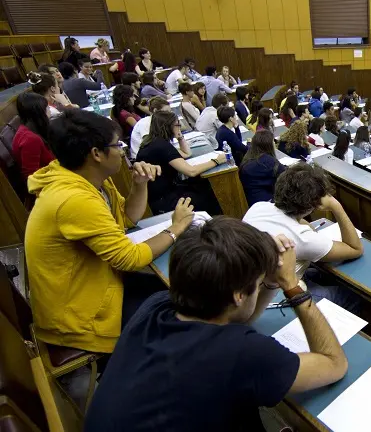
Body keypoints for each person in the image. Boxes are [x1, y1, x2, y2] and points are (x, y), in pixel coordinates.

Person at [83, 217, 348, 432]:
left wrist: (266, 279)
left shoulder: (157, 305)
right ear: (238, 295)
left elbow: (239, 317)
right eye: (257, 284)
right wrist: (290, 285)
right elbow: (334, 364)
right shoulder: (242, 353)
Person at [26, 109, 193, 355]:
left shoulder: (90, 177)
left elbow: (126, 218)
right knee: (183, 310)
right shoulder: (73, 199)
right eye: (117, 145)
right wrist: (175, 228)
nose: (123, 151)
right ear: (96, 154)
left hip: (99, 282)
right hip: (80, 316)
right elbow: (129, 258)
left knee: (179, 287)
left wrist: (140, 184)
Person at [242, 163, 364, 288]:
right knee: (347, 294)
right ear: (314, 205)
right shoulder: (303, 238)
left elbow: (297, 223)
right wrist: (336, 206)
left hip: (252, 282)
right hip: (283, 294)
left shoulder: (258, 207)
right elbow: (356, 249)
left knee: (318, 273)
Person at [137, 111, 224, 213]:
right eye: (177, 125)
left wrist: (180, 137)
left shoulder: (154, 141)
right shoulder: (161, 146)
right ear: (168, 126)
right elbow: (191, 171)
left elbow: (186, 153)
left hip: (162, 194)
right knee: (209, 195)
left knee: (201, 185)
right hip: (164, 200)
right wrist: (216, 161)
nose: (180, 127)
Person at [12, 92, 54, 180]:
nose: (50, 110)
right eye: (47, 108)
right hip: (50, 182)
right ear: (39, 114)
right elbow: (31, 177)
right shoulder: (30, 139)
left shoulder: (28, 129)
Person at [239, 131, 286, 206]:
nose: (274, 143)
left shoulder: (249, 157)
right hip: (267, 203)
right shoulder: (268, 161)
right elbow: (285, 175)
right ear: (268, 144)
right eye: (273, 141)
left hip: (252, 201)